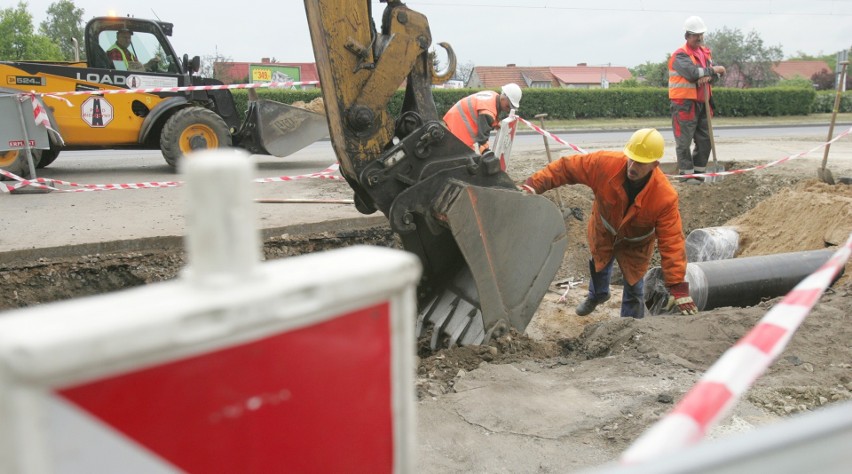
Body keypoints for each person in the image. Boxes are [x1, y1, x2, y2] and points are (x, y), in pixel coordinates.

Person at [519, 128, 698, 318]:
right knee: (598, 265)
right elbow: (567, 168)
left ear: (655, 164)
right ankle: (597, 295)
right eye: (631, 158)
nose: (632, 166)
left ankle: (629, 329)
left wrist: (677, 285)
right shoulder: (606, 165)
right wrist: (533, 184)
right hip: (604, 231)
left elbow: (672, 241)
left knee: (634, 286)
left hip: (636, 244)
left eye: (640, 163)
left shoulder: (665, 197)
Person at [669, 16, 726, 184]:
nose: (700, 38)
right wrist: (714, 70)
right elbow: (692, 74)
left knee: (705, 140)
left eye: (701, 34)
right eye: (696, 35)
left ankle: (698, 174)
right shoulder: (680, 55)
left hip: (703, 102)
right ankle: (686, 177)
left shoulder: (705, 53)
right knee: (684, 141)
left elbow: (713, 76)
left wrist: (709, 75)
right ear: (687, 36)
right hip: (684, 104)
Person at [443, 83, 522, 154]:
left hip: (455, 116)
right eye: (509, 105)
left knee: (459, 154)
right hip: (459, 122)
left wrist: (495, 124)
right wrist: (486, 152)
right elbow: (482, 137)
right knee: (465, 155)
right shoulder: (488, 111)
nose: (509, 109)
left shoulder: (493, 95)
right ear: (503, 98)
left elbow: (488, 117)